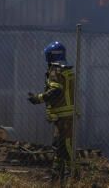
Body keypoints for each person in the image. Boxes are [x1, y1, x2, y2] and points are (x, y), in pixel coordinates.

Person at [27, 41, 75, 180]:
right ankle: (56, 176)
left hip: (63, 116)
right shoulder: (66, 69)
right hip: (65, 115)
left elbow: (56, 90)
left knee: (66, 147)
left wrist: (39, 98)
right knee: (59, 147)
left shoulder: (55, 70)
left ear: (50, 56)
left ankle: (74, 176)